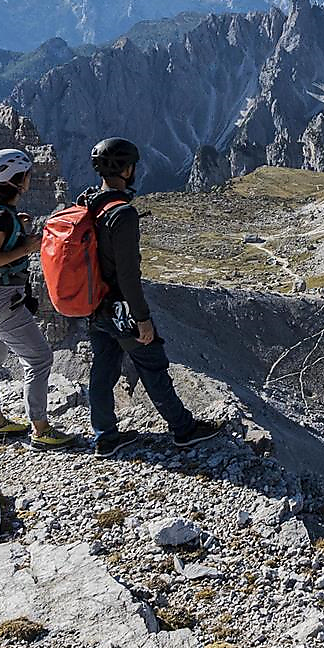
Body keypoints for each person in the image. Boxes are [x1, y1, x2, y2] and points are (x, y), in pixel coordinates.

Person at [81, 136, 222, 456]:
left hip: (95, 304)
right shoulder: (122, 214)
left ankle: (105, 436)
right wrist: (142, 318)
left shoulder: (89, 203)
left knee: (103, 369)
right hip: (121, 309)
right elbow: (128, 275)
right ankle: (183, 429)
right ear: (126, 169)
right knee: (152, 365)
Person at [0, 149, 74, 449]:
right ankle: (41, 429)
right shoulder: (1, 217)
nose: (30, 178)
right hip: (2, 300)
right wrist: (26, 247)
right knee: (39, 359)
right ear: (18, 180)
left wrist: (18, 229)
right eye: (27, 174)